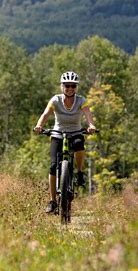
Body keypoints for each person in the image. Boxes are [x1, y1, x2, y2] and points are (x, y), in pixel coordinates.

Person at [34, 71, 96, 214]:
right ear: (62, 86)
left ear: (76, 87)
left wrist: (91, 125)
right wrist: (39, 125)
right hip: (57, 134)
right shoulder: (55, 100)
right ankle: (52, 201)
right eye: (67, 85)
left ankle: (80, 172)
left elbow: (88, 114)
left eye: (73, 86)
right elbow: (45, 114)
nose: (70, 88)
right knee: (53, 165)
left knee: (80, 144)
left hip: (76, 133)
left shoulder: (81, 101)